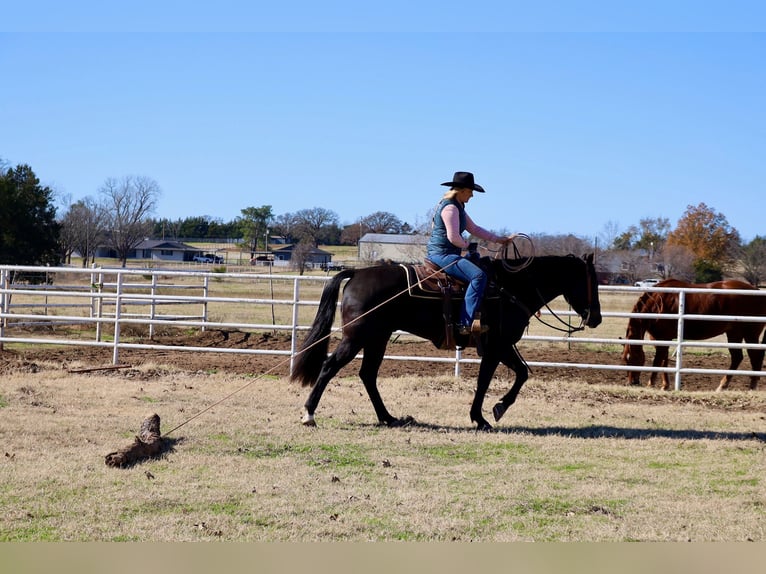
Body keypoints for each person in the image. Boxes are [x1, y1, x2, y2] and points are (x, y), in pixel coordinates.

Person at [426, 171, 514, 336]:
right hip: (443, 255)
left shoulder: (457, 207)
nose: (472, 195)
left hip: (445, 253)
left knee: (478, 263)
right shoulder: (451, 208)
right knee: (479, 276)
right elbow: (453, 238)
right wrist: (468, 245)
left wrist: (498, 239)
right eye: (470, 191)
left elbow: (474, 229)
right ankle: (465, 322)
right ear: (462, 190)